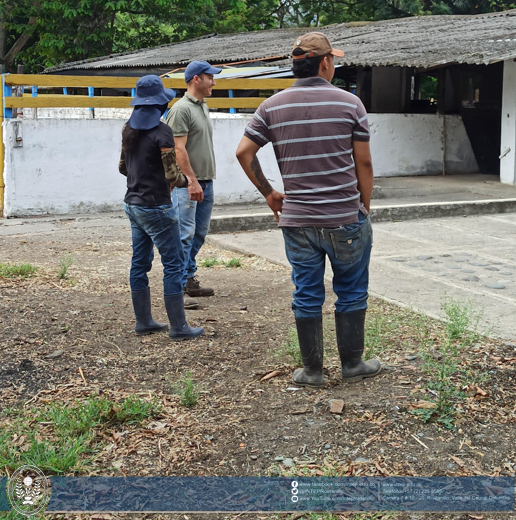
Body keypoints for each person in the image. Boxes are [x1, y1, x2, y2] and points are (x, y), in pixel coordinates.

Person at [236, 32, 382, 389]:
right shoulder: (350, 104)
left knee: (307, 291)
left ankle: (312, 371)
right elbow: (363, 163)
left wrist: (270, 194)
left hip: (298, 220)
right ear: (326, 62)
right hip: (344, 217)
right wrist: (363, 205)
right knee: (351, 289)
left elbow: (243, 152)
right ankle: (352, 363)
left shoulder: (271, 106)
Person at [119, 74, 204, 341]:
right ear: (159, 105)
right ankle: (179, 327)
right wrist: (187, 181)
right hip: (157, 207)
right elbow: (171, 174)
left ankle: (144, 321)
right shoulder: (162, 131)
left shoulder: (128, 130)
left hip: (132, 204)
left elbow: (123, 167)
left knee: (140, 263)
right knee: (174, 264)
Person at [165, 60, 222, 305]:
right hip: (188, 184)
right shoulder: (182, 109)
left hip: (205, 181)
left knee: (198, 233)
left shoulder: (202, 106)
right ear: (196, 78)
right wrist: (191, 181)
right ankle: (176, 290)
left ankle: (187, 279)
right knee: (184, 235)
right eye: (210, 77)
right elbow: (178, 150)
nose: (214, 82)